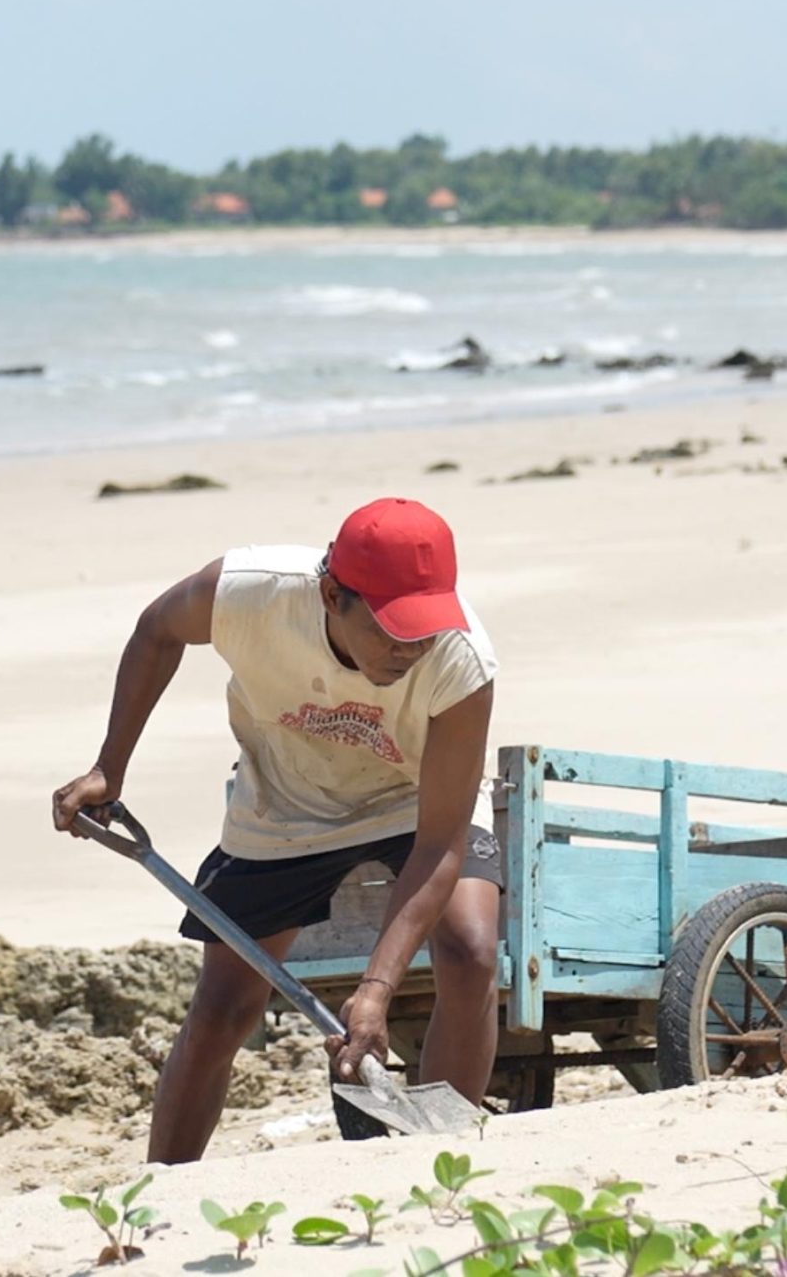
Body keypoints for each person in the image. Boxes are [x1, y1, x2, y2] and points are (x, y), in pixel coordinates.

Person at [52, 498, 500, 1163]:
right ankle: (164, 1183)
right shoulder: (254, 592)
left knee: (470, 948)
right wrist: (107, 767)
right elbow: (156, 629)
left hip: (411, 798)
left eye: (423, 630)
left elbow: (439, 844)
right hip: (287, 806)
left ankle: (446, 1157)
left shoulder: (461, 661)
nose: (410, 649)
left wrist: (375, 991)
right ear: (331, 594)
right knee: (226, 1001)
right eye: (392, 630)